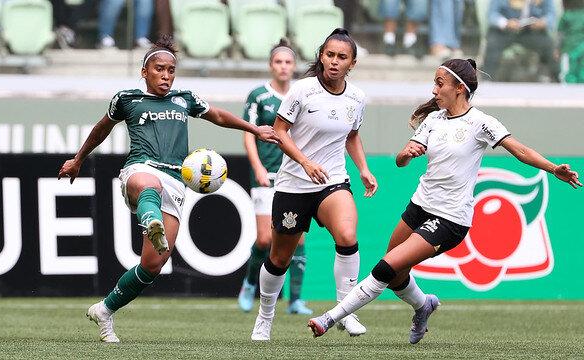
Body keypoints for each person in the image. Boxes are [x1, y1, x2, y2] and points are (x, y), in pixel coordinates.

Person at [308, 58, 582, 343]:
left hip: (449, 219)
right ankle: (423, 305)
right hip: (418, 206)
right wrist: (406, 153)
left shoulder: (481, 123)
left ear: (459, 88)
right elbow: (402, 161)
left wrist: (553, 169)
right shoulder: (433, 120)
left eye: (440, 84)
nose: (434, 90)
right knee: (396, 276)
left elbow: (520, 150)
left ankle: (329, 318)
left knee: (384, 268)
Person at [58, 35, 280, 343]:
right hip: (139, 171)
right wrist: (78, 159)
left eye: (171, 70)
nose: (166, 75)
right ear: (145, 71)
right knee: (149, 184)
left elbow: (216, 115)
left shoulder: (184, 98)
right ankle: (151, 220)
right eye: (159, 69)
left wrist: (254, 129)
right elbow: (101, 129)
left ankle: (105, 310)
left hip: (176, 182)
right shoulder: (126, 99)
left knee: (152, 265)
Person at [250, 28, 379, 341]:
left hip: (332, 179)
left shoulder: (357, 97)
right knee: (280, 258)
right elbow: (279, 131)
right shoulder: (303, 90)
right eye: (329, 55)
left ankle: (345, 310)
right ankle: (265, 316)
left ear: (353, 63)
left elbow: (351, 135)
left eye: (341, 57)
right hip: (294, 183)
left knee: (348, 235)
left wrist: (363, 168)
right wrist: (305, 163)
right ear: (321, 56)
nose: (334, 62)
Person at [237, 39, 313, 316]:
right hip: (266, 175)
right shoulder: (259, 95)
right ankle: (248, 285)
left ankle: (294, 300)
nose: (283, 67)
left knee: (299, 240)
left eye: (288, 62)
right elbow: (249, 134)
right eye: (278, 62)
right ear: (271, 66)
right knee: (265, 240)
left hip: (293, 176)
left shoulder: (303, 94)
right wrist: (256, 165)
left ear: (294, 66)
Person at [482, 0, 560, 82]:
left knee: (547, 44)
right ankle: (487, 80)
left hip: (530, 31)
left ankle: (557, 78)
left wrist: (543, 22)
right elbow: (492, 14)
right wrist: (506, 23)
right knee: (493, 43)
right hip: (504, 31)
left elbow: (551, 14)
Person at [558, 0, 584, 83]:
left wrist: (557, 48)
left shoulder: (566, 15)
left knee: (568, 70)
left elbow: (560, 34)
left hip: (568, 47)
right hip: (582, 46)